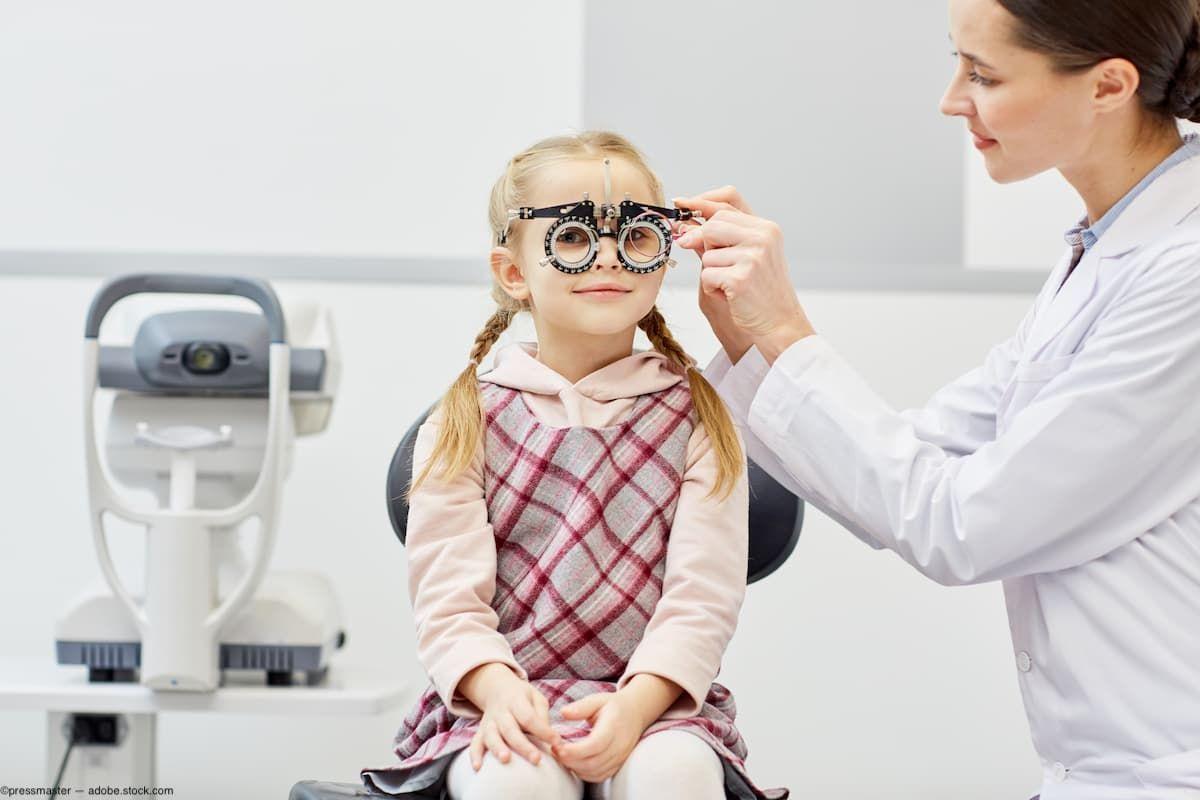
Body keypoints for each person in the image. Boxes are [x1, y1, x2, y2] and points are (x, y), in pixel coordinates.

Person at [672, 0, 1200, 797]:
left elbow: (964, 524)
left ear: (1108, 85)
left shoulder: (1183, 274)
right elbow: (922, 453)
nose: (952, 99)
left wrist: (782, 327)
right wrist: (753, 340)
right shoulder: (1108, 251)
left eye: (983, 74)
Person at [361, 131, 786, 800]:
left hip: (657, 704)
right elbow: (449, 605)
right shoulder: (464, 419)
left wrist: (637, 707)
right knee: (513, 781)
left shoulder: (700, 418)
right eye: (572, 237)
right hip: (501, 700)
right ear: (512, 272)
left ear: (667, 255)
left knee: (673, 775)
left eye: (638, 237)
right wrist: (499, 694)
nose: (610, 258)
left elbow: (701, 600)